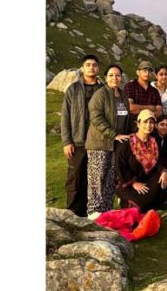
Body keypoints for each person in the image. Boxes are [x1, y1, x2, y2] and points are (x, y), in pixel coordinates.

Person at [84, 64, 130, 219]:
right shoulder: (101, 94)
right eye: (111, 75)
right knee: (97, 177)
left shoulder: (123, 96)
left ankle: (107, 210)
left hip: (115, 145)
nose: (114, 78)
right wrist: (113, 134)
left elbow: (126, 118)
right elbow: (96, 117)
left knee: (110, 178)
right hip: (99, 143)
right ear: (105, 78)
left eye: (117, 75)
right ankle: (94, 211)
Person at [61, 54, 104, 217]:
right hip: (77, 141)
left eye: (94, 65)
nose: (91, 67)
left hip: (98, 142)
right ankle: (72, 212)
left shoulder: (103, 90)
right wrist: (67, 141)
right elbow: (65, 117)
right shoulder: (73, 89)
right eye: (88, 65)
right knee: (75, 178)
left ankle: (91, 212)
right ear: (82, 68)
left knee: (94, 178)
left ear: (98, 68)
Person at [115, 110, 167, 212]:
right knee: (140, 201)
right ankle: (134, 203)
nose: (148, 125)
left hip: (146, 180)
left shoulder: (154, 142)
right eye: (145, 122)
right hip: (127, 183)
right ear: (138, 123)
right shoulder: (127, 143)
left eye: (151, 122)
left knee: (164, 179)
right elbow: (119, 166)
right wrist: (133, 182)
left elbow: (161, 160)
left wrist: (164, 172)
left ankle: (146, 203)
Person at [124, 61, 163, 132]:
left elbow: (159, 112)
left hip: (150, 127)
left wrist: (145, 116)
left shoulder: (155, 91)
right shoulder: (130, 86)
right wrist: (151, 107)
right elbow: (130, 108)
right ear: (138, 72)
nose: (147, 73)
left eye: (149, 71)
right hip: (133, 126)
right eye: (144, 70)